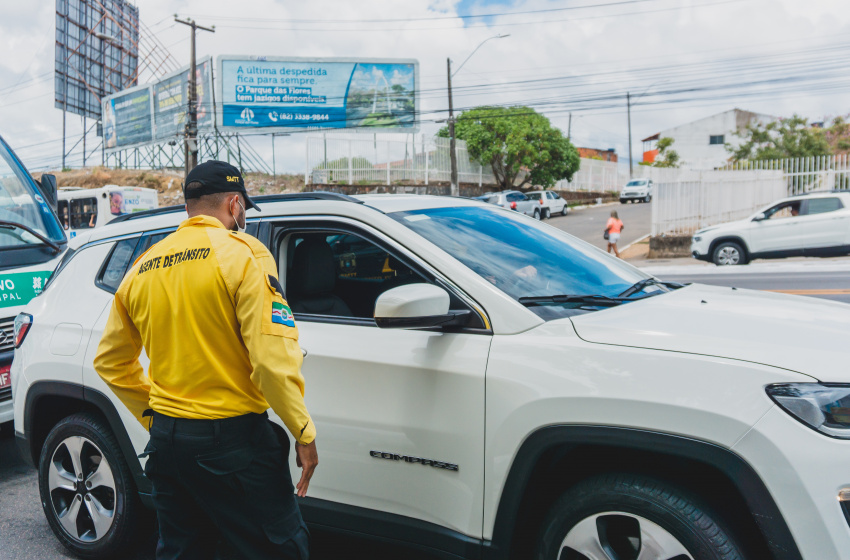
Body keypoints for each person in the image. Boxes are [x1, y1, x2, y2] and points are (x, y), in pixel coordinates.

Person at [94, 160, 317, 560]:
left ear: (188, 207)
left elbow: (110, 363)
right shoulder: (245, 254)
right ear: (234, 204)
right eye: (244, 207)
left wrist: (156, 418)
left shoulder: (142, 266)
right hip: (234, 446)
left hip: (166, 447)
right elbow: (270, 361)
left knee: (183, 550)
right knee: (279, 548)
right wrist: (303, 431)